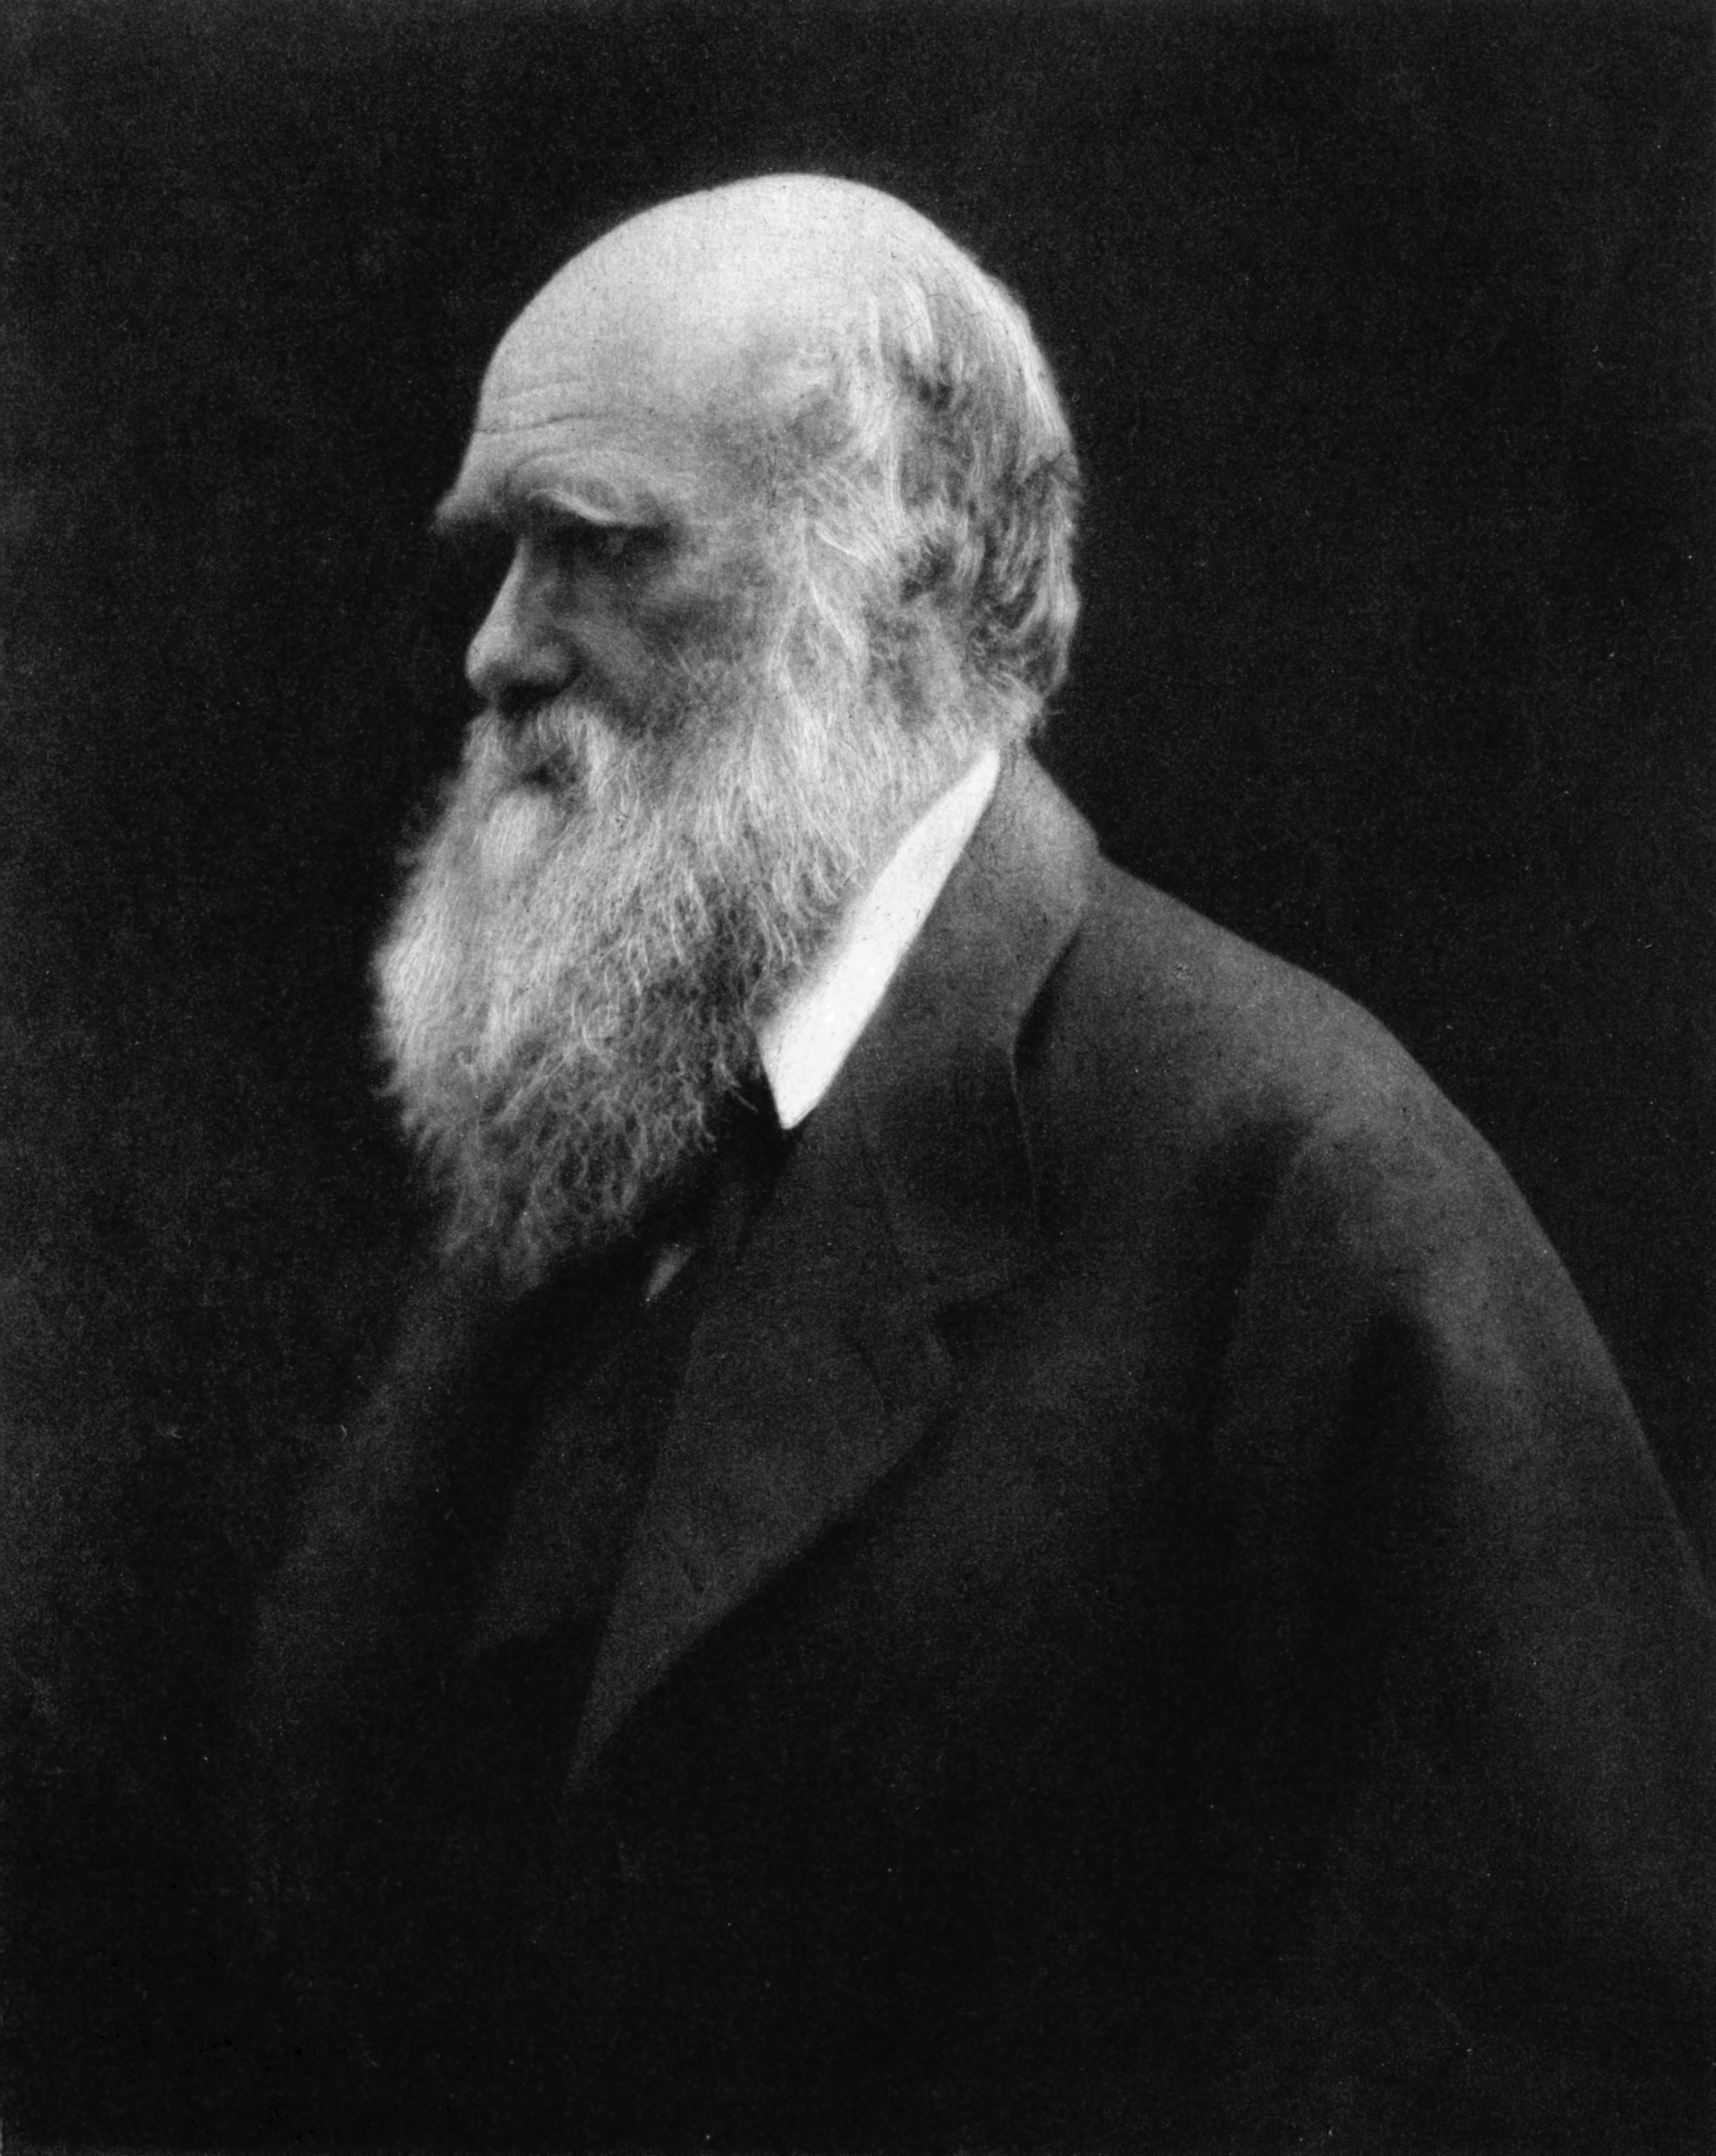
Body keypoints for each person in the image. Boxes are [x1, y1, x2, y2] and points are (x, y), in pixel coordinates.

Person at [246, 174, 1712, 2151]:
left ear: (908, 575)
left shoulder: (1312, 1185)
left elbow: (1570, 2057)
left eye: (594, 546)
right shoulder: (598, 1099)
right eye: (498, 558)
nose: (498, 651)